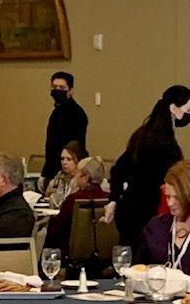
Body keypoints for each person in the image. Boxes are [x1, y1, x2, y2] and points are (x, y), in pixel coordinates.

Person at [109, 84, 190, 246]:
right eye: (188, 110)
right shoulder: (168, 145)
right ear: (174, 108)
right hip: (150, 212)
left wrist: (113, 199)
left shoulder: (142, 134)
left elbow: (118, 169)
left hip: (128, 209)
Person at [137, 160, 190, 273]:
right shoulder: (154, 228)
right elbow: (138, 270)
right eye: (168, 197)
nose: (170, 203)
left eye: (176, 197)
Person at [46, 156, 108, 253]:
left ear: (86, 177)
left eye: (78, 173)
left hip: (73, 254)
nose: (75, 176)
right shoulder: (109, 199)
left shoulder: (73, 200)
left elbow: (57, 230)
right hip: (104, 253)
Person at [42, 71, 88, 186]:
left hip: (66, 170)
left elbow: (75, 146)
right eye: (54, 87)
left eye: (61, 87)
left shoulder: (77, 113)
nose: (57, 90)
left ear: (70, 90)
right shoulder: (56, 112)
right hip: (53, 169)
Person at [43, 141, 85, 205]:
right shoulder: (59, 177)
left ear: (78, 161)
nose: (64, 162)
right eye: (62, 159)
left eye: (69, 159)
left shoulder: (82, 180)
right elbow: (47, 195)